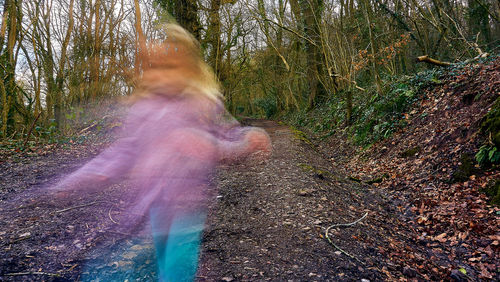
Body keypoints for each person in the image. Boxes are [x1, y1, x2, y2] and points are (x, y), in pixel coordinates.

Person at [51, 23, 271, 281]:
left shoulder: (204, 105)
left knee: (178, 266)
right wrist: (82, 177)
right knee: (163, 258)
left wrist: (247, 141)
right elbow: (124, 150)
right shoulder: (143, 110)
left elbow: (229, 137)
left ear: (190, 72)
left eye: (171, 68)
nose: (161, 75)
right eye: (155, 68)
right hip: (155, 202)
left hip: (189, 204)